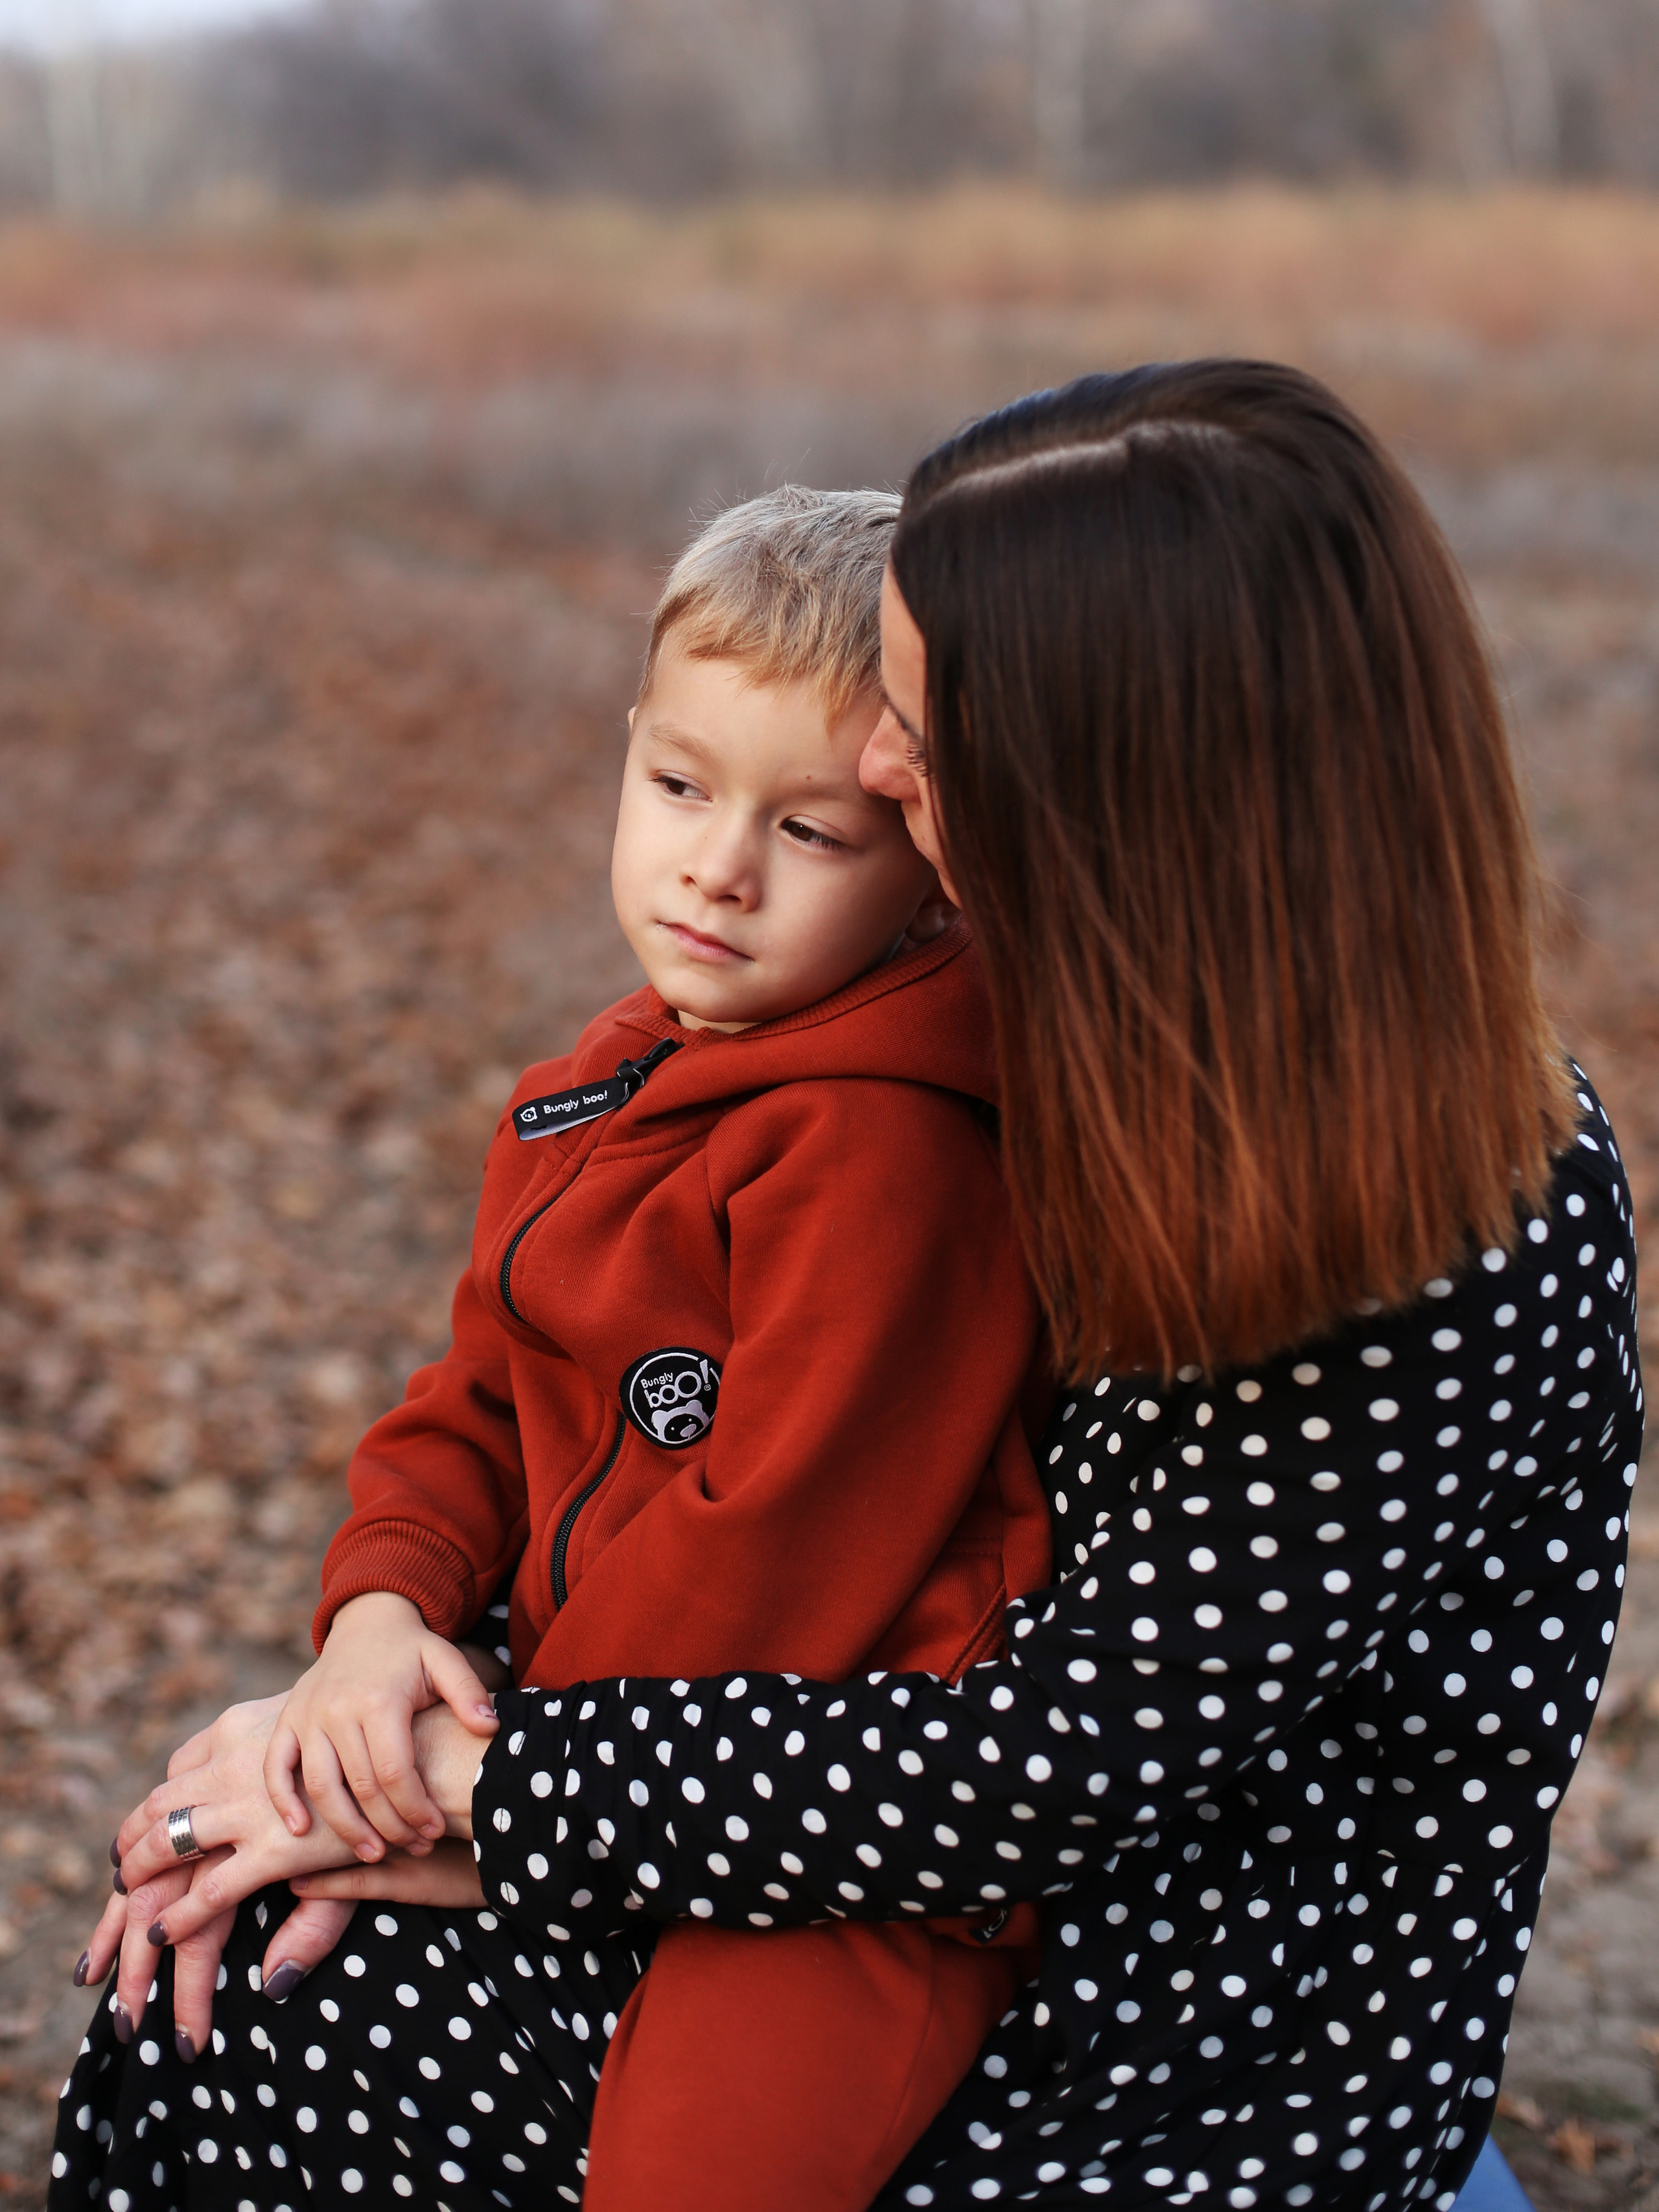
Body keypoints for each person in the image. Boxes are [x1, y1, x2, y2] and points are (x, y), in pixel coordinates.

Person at [60, 360, 1642, 2212]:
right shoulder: (1082, 1037)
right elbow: (586, 1412)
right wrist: (382, 1674)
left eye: (925, 729)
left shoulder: (1435, 1236)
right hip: (841, 1804)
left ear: (1123, 789)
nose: (878, 772)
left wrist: (464, 1794)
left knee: (298, 2004)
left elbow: (1048, 1769)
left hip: (1170, 2036)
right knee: (225, 1954)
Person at [56, 485, 1056, 2211]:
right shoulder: (610, 1085)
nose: (719, 867)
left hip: (838, 1834)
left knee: (693, 2172)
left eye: (812, 833)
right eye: (680, 785)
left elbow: (775, 1554)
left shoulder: (886, 1152)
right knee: (209, 1947)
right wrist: (379, 1627)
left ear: (924, 873)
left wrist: (468, 1795)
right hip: (586, 1735)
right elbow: (476, 1401)